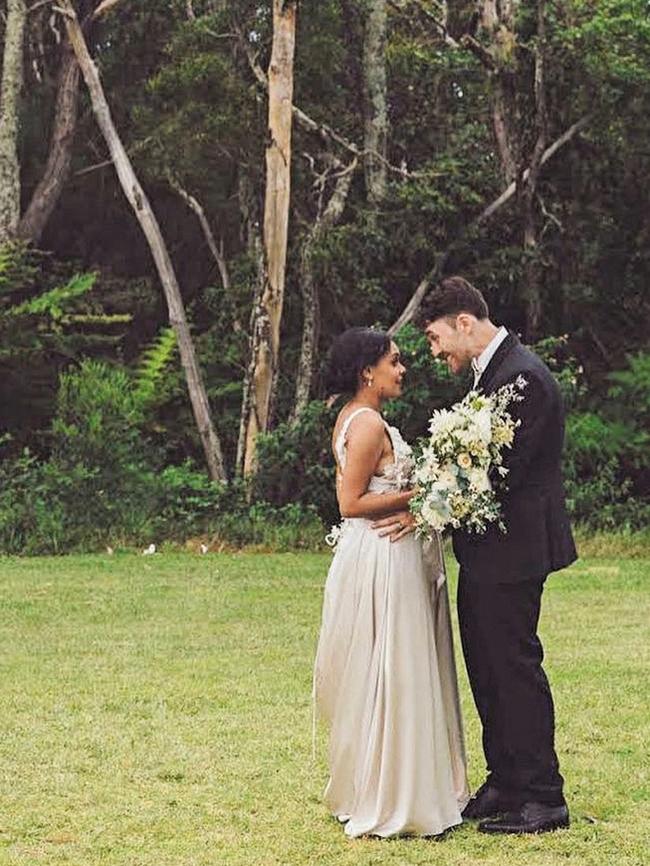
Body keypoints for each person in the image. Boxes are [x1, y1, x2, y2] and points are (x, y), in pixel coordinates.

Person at [398, 275, 576, 835]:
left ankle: (544, 796)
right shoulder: (493, 375)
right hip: (487, 551)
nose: (434, 352)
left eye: (433, 338)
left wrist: (429, 506)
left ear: (465, 323)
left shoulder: (524, 378)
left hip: (516, 551)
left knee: (514, 667)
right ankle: (506, 780)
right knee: (485, 663)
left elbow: (500, 474)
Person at [313, 327, 469, 838]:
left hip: (383, 552)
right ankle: (390, 793)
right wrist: (421, 493)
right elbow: (351, 503)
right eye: (394, 362)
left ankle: (391, 781)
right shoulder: (368, 425)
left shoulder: (359, 419)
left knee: (387, 666)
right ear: (367, 372)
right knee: (390, 666)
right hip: (383, 555)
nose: (402, 370)